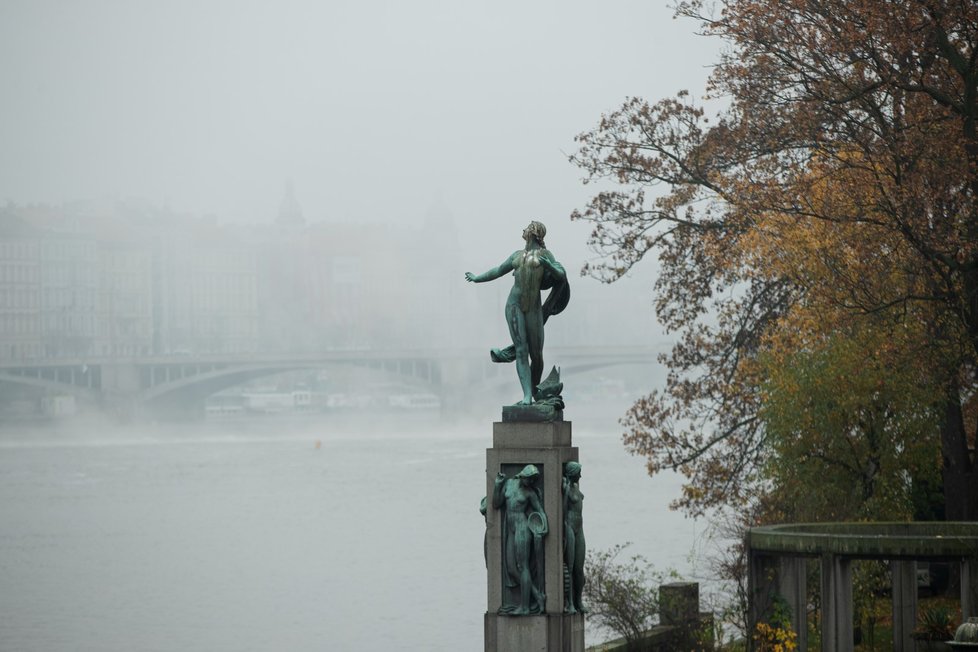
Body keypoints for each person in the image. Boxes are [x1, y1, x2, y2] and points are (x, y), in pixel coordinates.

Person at [465, 221, 568, 405]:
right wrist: (477, 278)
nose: (524, 229)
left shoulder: (545, 254)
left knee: (536, 356)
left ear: (534, 233)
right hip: (514, 306)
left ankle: (534, 390)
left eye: (527, 227)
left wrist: (550, 267)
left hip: (534, 308)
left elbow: (561, 274)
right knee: (521, 351)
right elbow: (498, 270)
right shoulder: (517, 255)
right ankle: (527, 395)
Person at [493, 464, 548, 615]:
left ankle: (524, 607)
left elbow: (540, 512)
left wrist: (542, 529)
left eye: (533, 480)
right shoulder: (509, 484)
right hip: (510, 529)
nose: (530, 483)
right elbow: (497, 503)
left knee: (523, 567)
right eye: (529, 479)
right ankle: (537, 595)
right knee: (511, 568)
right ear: (523, 476)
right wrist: (497, 486)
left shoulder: (530, 493)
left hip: (523, 528)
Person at [562, 462, 586, 614]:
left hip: (580, 527)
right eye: (578, 473)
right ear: (572, 474)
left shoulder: (577, 487)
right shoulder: (566, 488)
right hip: (569, 526)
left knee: (579, 569)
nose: (580, 476)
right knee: (569, 567)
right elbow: (562, 510)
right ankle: (569, 602)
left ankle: (578, 600)